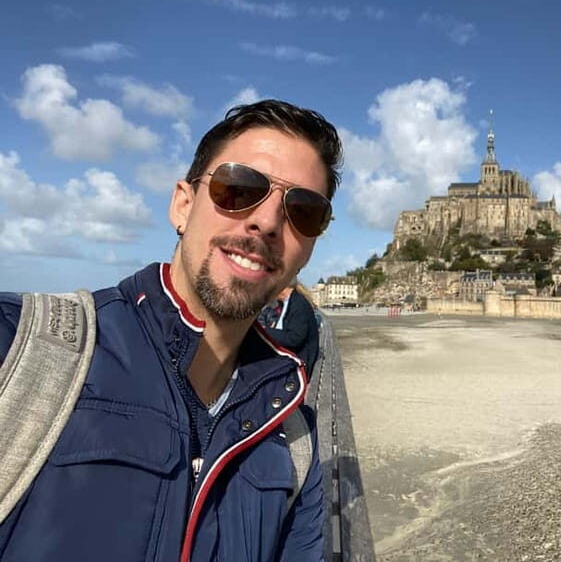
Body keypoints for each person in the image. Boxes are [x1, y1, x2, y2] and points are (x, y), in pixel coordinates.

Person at [0, 99, 342, 561]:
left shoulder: (294, 435)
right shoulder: (24, 347)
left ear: (311, 247)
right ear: (182, 205)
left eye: (303, 210)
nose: (267, 221)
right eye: (239, 187)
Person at [259, 282, 320, 376]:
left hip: (299, 363)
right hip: (291, 357)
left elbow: (295, 338)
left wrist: (265, 331)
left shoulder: (298, 304)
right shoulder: (289, 302)